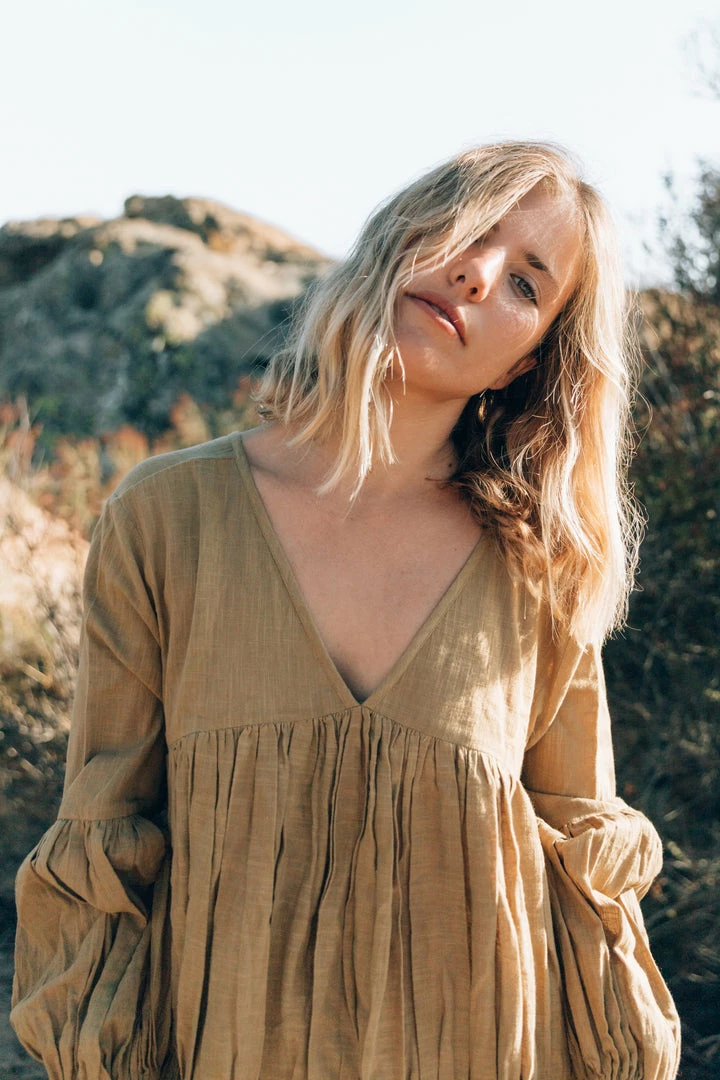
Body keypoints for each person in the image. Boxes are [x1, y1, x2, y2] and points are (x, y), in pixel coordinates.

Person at [12, 141, 681, 1079]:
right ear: (402, 236)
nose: (478, 273)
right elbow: (103, 847)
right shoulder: (166, 518)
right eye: (470, 229)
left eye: (527, 283)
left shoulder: (540, 569)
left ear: (522, 365)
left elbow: (585, 876)